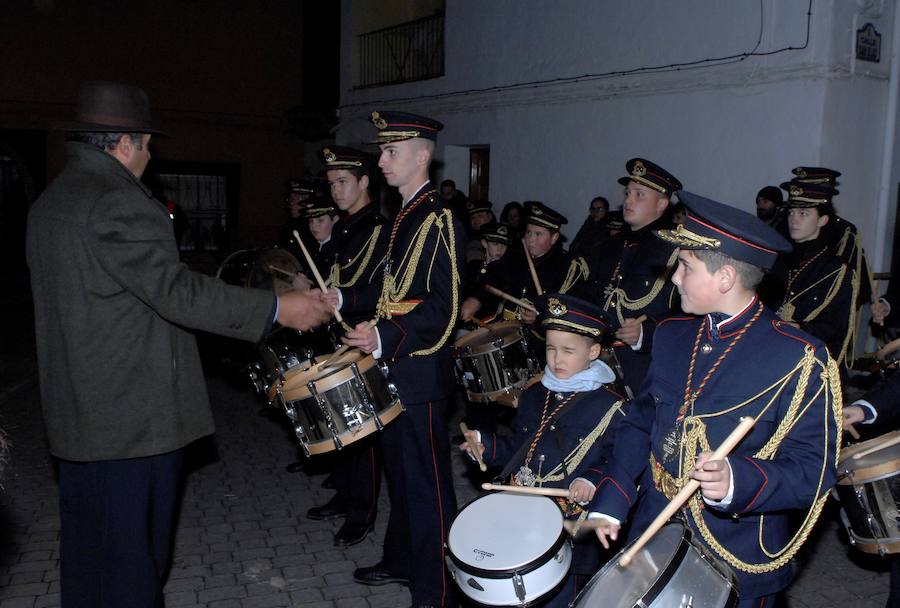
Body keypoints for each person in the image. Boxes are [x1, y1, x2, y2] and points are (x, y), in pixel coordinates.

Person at [25, 81, 332, 608]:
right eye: (147, 143)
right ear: (125, 144)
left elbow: (141, 284)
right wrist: (279, 308)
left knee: (88, 560)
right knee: (132, 567)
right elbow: (174, 291)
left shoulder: (53, 202)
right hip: (131, 423)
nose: (150, 154)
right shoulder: (119, 200)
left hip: (81, 420)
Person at [586, 191, 841, 608]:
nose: (675, 278)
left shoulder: (799, 358)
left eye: (685, 266)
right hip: (653, 535)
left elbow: (815, 471)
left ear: (725, 279)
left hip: (735, 556)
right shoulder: (671, 335)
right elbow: (639, 421)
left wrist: (736, 482)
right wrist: (614, 498)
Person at [326, 111, 464, 608]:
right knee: (402, 483)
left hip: (420, 374)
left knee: (427, 489)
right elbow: (390, 290)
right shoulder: (405, 214)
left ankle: (439, 591)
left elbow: (442, 307)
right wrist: (344, 302)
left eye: (391, 152)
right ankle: (404, 560)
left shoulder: (439, 217)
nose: (381, 161)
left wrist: (385, 335)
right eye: (382, 152)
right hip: (395, 367)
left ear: (422, 155)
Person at [460, 293, 628, 607]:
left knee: (564, 597)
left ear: (593, 351)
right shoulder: (536, 393)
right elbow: (518, 446)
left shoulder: (610, 405)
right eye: (551, 349)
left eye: (568, 350)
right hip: (524, 513)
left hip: (571, 525)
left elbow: (619, 461)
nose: (556, 359)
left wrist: (591, 480)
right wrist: (485, 445)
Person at [303, 145, 389, 547]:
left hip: (361, 335)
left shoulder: (376, 228)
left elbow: (376, 289)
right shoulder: (344, 226)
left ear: (364, 182)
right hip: (337, 333)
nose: (336, 191)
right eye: (332, 183)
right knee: (341, 423)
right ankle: (347, 494)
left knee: (362, 431)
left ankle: (363, 512)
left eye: (343, 182)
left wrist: (339, 299)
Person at [576, 158, 682, 397]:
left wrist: (647, 333)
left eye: (639, 195)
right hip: (596, 361)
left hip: (645, 367)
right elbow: (589, 294)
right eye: (627, 193)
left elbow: (686, 312)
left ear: (662, 203)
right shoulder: (608, 246)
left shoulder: (674, 250)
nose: (627, 201)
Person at [766, 181, 855, 365]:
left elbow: (837, 327)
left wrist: (801, 328)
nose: (794, 220)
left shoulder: (835, 269)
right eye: (791, 212)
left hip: (810, 359)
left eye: (803, 213)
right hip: (771, 348)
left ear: (822, 220)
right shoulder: (777, 259)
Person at [492, 201, 588, 328]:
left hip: (541, 340)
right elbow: (491, 278)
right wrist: (475, 299)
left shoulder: (569, 266)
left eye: (538, 234)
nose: (531, 239)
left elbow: (570, 311)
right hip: (506, 330)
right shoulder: (514, 256)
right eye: (528, 232)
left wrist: (541, 315)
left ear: (554, 238)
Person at [459, 221, 513, 323]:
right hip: (464, 322)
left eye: (504, 245)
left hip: (490, 326)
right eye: (495, 244)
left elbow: (492, 285)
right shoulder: (473, 266)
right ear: (484, 243)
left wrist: (475, 300)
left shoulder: (506, 269)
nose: (500, 249)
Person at [278, 177, 316, 252]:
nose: (291, 203)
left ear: (305, 202)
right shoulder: (290, 225)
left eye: (294, 200)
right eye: (290, 199)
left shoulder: (312, 225)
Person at [570, 195, 611, 260]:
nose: (596, 212)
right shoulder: (588, 223)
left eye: (600, 209)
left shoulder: (609, 229)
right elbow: (573, 246)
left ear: (606, 211)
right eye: (593, 209)